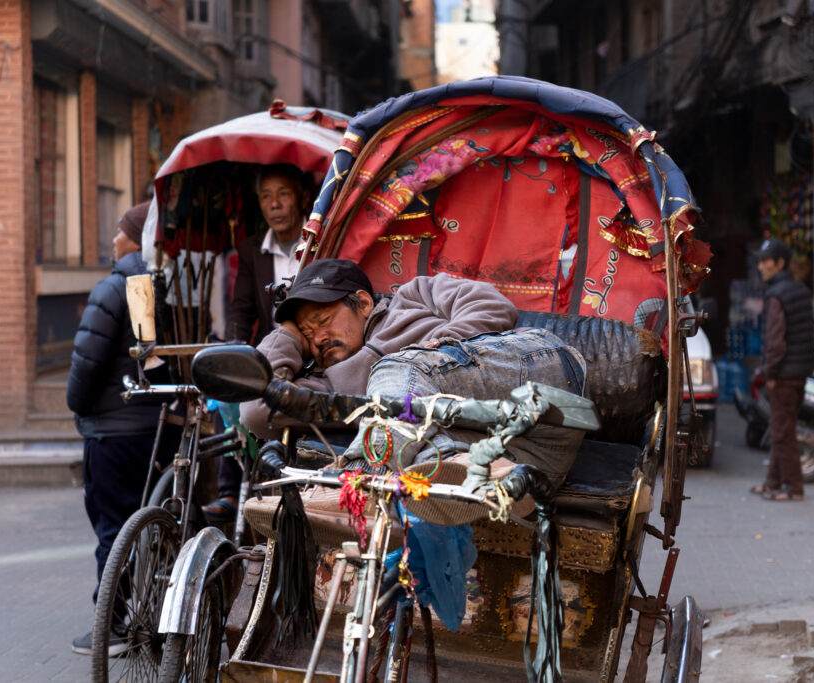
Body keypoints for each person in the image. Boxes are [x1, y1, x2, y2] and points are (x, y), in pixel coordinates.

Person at [241, 258, 589, 490]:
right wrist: (285, 334)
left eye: (322, 320)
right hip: (529, 453)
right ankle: (470, 468)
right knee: (420, 446)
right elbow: (257, 410)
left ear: (363, 304)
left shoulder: (413, 297)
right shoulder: (325, 386)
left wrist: (437, 352)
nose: (317, 338)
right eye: (307, 334)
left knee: (395, 371)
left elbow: (491, 306)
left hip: (542, 381)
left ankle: (360, 486)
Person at [67, 203, 180, 654]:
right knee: (152, 523)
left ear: (135, 239)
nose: (113, 239)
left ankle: (111, 625)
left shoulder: (114, 288)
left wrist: (78, 407)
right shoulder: (167, 288)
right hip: (159, 429)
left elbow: (86, 365)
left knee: (114, 531)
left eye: (120, 231)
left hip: (114, 433)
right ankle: (154, 616)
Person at [203, 164, 312, 522]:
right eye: (266, 196)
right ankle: (229, 493)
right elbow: (242, 308)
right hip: (270, 349)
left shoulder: (319, 240)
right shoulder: (252, 249)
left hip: (313, 348)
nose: (274, 204)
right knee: (228, 390)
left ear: (301, 198)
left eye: (282, 194)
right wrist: (232, 347)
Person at [751, 238, 814, 502]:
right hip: (799, 371)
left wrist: (771, 374)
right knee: (781, 429)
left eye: (766, 261)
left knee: (782, 432)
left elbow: (775, 342)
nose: (761, 266)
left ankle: (793, 487)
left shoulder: (776, 295)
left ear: (780, 263)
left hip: (784, 373)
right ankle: (772, 483)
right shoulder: (799, 289)